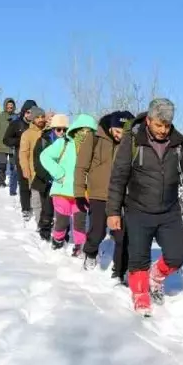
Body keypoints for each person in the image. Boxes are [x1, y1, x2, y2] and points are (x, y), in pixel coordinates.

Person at [106, 98, 183, 315]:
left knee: (176, 255)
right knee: (138, 257)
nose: (163, 130)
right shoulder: (132, 141)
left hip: (169, 210)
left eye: (167, 125)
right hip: (138, 209)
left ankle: (156, 278)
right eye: (159, 124)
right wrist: (113, 211)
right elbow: (118, 176)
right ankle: (140, 294)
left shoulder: (178, 143)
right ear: (149, 120)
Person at [75, 110, 133, 278]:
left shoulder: (130, 143)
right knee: (97, 231)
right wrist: (79, 192)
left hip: (121, 196)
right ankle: (91, 253)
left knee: (122, 236)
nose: (119, 136)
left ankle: (120, 271)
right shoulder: (93, 139)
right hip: (98, 194)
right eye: (117, 132)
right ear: (110, 127)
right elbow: (81, 167)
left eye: (124, 133)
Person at [41, 113, 98, 255]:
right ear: (76, 129)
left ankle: (79, 245)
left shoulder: (95, 148)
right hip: (62, 189)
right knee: (62, 221)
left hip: (82, 192)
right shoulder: (64, 143)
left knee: (80, 222)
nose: (85, 134)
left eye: (89, 131)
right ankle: (58, 240)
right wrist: (58, 173)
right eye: (82, 130)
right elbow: (45, 156)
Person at [4, 99, 38, 215]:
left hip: (36, 159)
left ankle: (37, 206)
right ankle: (26, 208)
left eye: (32, 112)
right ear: (24, 112)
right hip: (21, 157)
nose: (30, 115)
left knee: (36, 183)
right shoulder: (16, 124)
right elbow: (6, 139)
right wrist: (21, 141)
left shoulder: (39, 125)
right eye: (28, 112)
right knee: (24, 182)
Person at [18, 107, 48, 223]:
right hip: (34, 171)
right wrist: (25, 169)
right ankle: (39, 222)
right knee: (36, 199)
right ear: (33, 119)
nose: (40, 119)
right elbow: (23, 153)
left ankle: (48, 222)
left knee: (48, 200)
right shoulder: (27, 134)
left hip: (49, 172)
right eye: (37, 117)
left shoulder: (49, 131)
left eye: (42, 116)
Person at [0, 98, 17, 190]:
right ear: (5, 106)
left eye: (11, 105)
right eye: (8, 105)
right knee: (2, 164)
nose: (10, 107)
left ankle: (14, 183)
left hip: (13, 145)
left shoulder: (16, 117)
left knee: (14, 165)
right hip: (1, 145)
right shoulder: (0, 116)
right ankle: (2, 182)